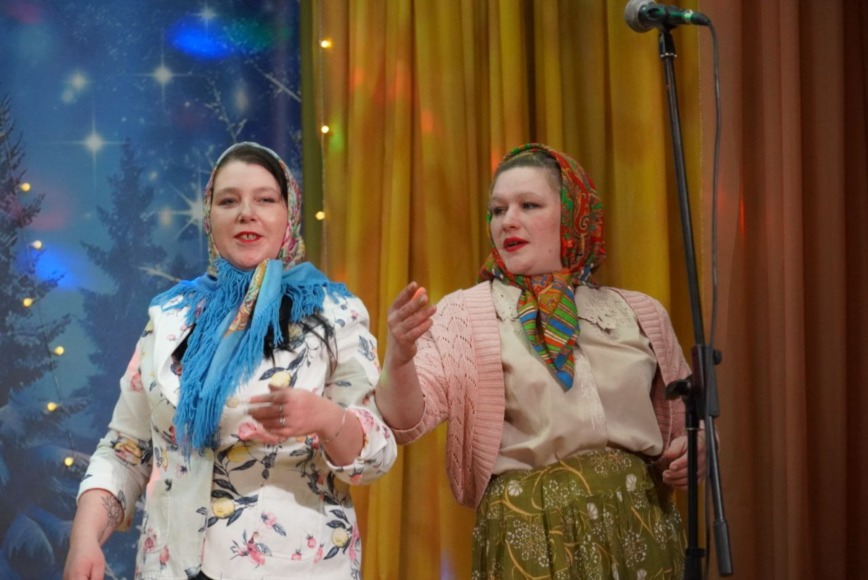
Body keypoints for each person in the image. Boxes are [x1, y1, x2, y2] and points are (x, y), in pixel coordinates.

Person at [63, 142, 397, 580]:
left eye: (265, 199)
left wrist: (324, 417)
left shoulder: (334, 313)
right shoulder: (170, 317)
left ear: (290, 213)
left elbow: (376, 456)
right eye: (228, 201)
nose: (246, 213)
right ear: (210, 217)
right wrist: (85, 537)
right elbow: (127, 447)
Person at [377, 143, 705, 578]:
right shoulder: (465, 314)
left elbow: (689, 428)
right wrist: (399, 357)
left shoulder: (639, 312)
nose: (508, 221)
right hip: (529, 542)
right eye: (498, 210)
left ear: (571, 214)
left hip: (636, 531)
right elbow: (402, 421)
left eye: (528, 205)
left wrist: (697, 451)